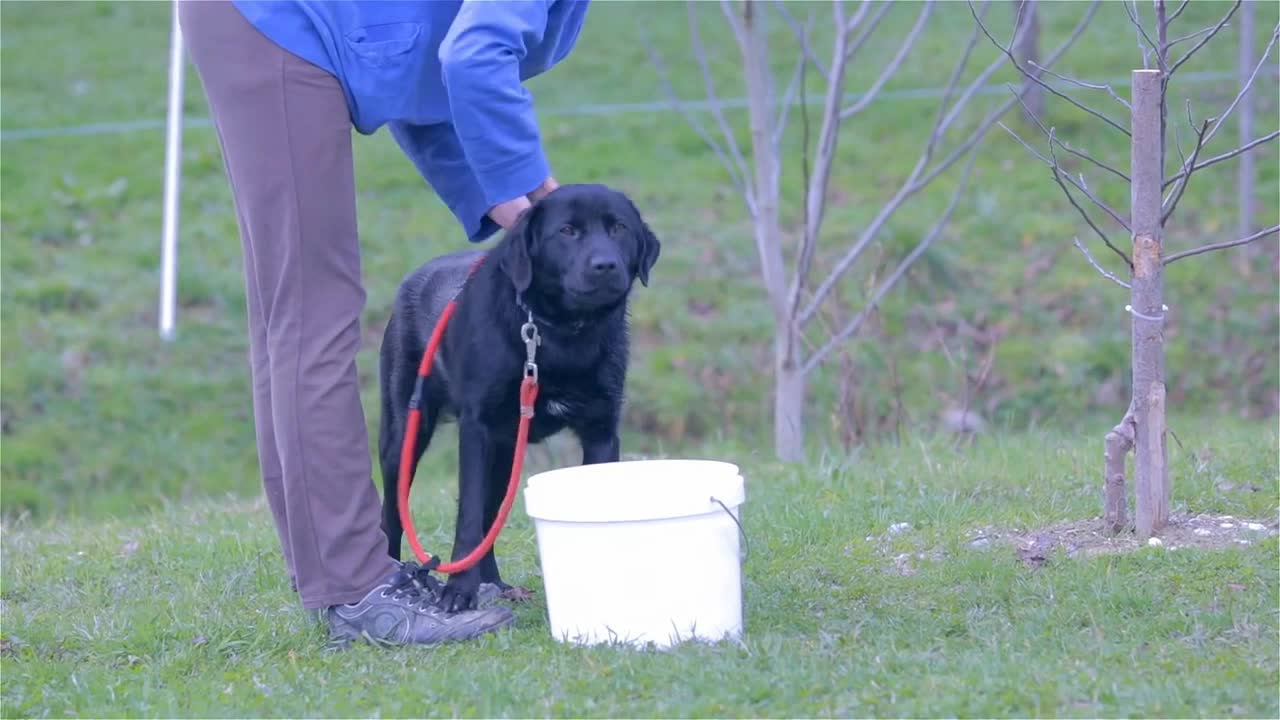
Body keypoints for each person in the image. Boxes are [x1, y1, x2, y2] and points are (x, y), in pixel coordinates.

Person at [177, 0, 590, 646]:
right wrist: (535, 189)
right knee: (312, 310)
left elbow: (421, 72)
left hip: (313, 24)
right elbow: (471, 57)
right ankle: (355, 590)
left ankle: (332, 569)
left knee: (294, 314)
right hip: (278, 19)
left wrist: (501, 195)